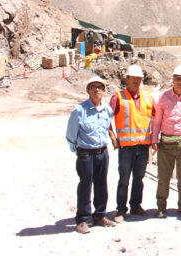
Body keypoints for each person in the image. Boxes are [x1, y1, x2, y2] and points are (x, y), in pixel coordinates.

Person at [66, 76, 116, 234]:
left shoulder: (107, 109)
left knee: (102, 184)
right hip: (86, 154)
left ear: (104, 91)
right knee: (85, 185)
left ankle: (100, 215)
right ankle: (82, 219)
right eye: (93, 87)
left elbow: (108, 127)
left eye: (99, 87)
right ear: (88, 90)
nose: (96, 90)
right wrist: (79, 151)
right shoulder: (79, 111)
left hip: (102, 152)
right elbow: (71, 135)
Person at [151, 64, 181, 218]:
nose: (179, 82)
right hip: (166, 142)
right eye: (177, 79)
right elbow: (157, 120)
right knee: (164, 177)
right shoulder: (164, 97)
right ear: (172, 80)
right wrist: (154, 138)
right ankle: (161, 206)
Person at [109, 64, 156, 223]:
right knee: (124, 179)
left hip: (143, 146)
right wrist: (112, 135)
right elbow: (105, 117)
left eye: (139, 78)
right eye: (133, 78)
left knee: (139, 178)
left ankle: (136, 205)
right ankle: (121, 209)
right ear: (126, 79)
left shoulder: (148, 98)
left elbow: (158, 117)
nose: (136, 81)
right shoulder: (118, 97)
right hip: (126, 148)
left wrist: (155, 138)